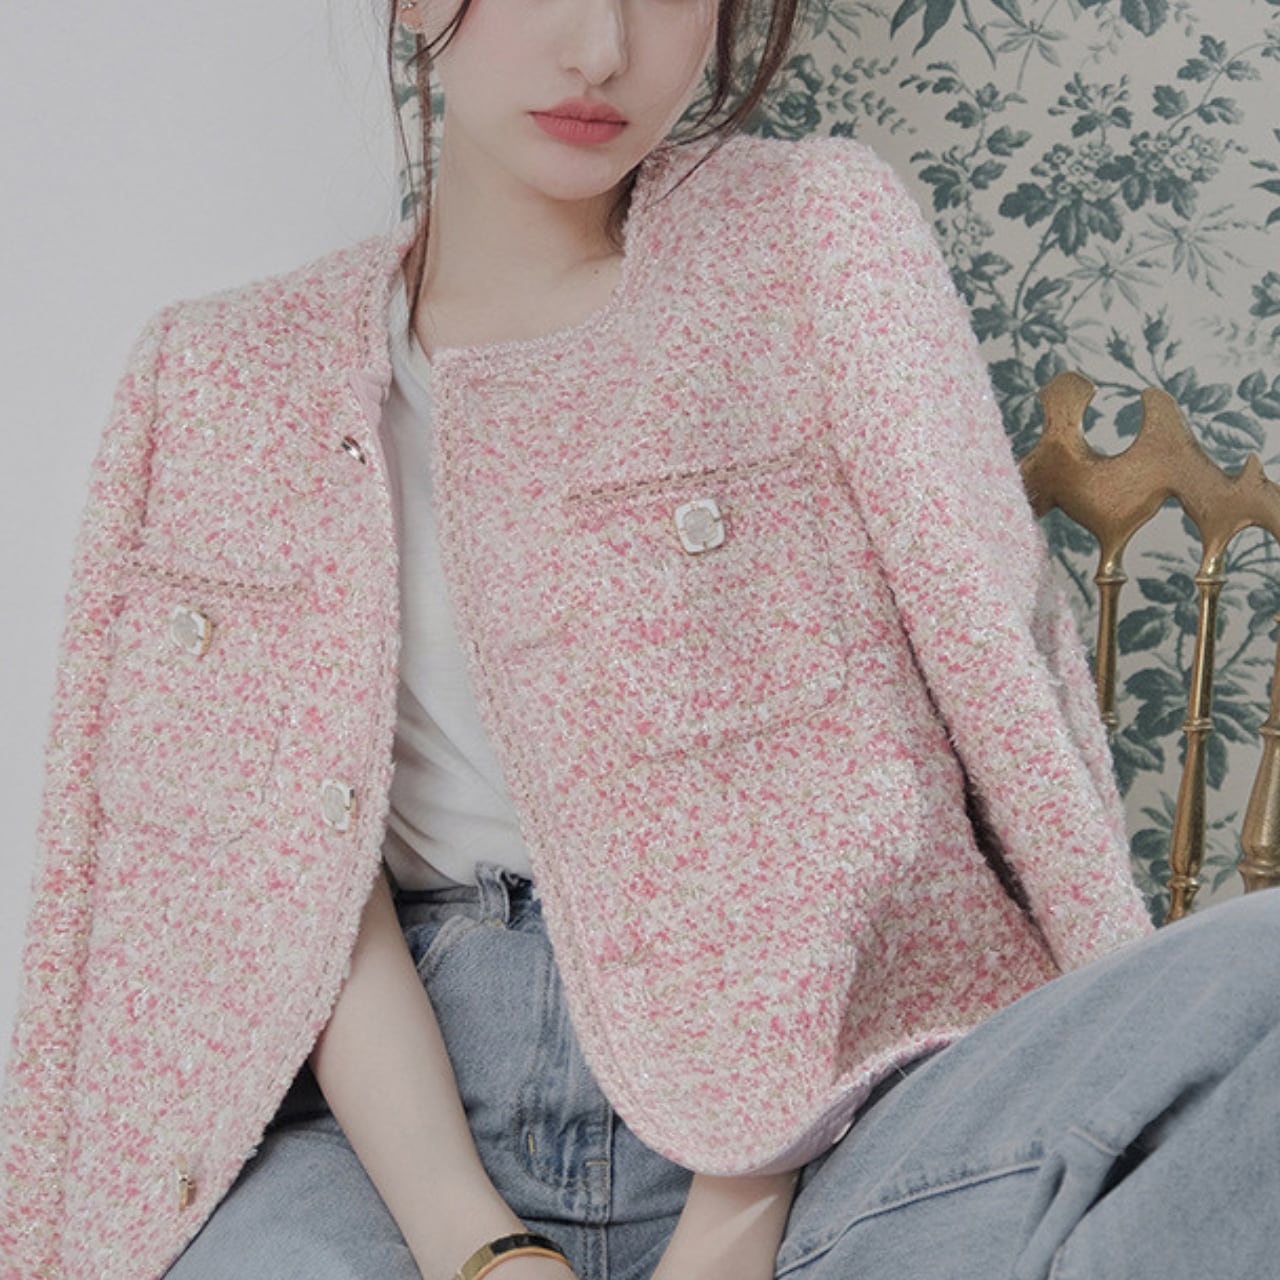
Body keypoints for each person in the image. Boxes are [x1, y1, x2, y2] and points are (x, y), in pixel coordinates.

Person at [2, 0, 1278, 1278]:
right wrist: (479, 1246)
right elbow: (275, 873)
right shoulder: (225, 374)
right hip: (397, 1124)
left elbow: (948, 711)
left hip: (831, 1098)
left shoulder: (805, 240)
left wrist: (735, 1212)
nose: (601, 49)